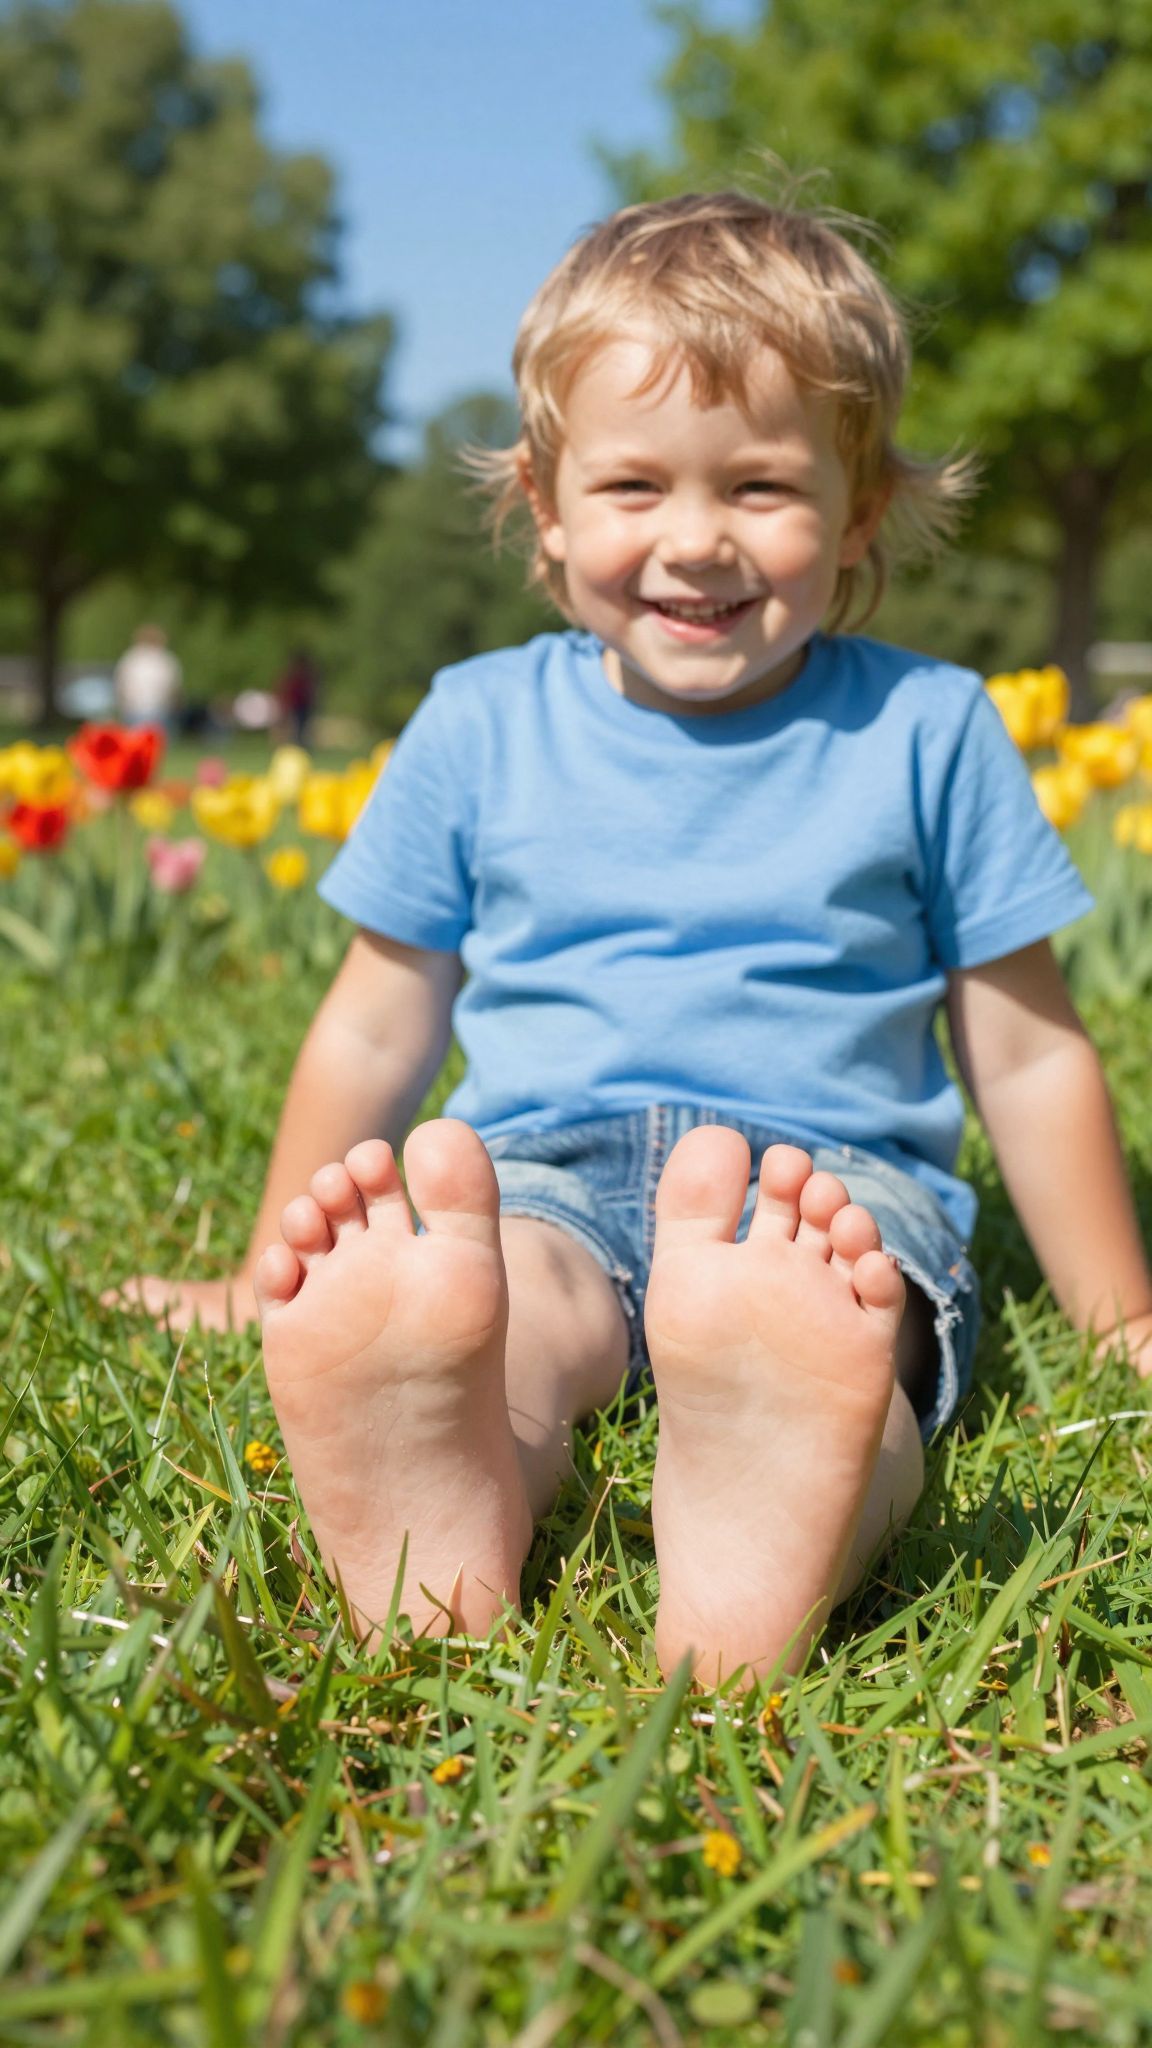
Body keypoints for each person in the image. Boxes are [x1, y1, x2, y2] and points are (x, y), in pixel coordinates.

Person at [115, 190, 1152, 1689]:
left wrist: (1122, 1319)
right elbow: (374, 1023)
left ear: (861, 505)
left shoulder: (931, 729)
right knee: (510, 1314)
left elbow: (1028, 1051)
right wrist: (263, 1261)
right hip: (537, 1164)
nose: (696, 540)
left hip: (827, 1204)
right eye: (635, 487)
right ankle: (447, 1484)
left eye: (761, 488)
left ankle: (779, 1502)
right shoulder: (478, 720)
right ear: (545, 502)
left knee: (860, 1370)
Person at [113, 624, 182, 731]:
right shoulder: (166, 659)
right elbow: (173, 687)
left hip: (143, 708)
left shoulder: (131, 658)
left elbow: (120, 685)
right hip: (151, 708)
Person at [276, 649, 320, 746]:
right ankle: (294, 746)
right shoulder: (294, 675)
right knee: (294, 728)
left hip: (303, 705)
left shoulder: (305, 675)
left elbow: (310, 691)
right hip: (294, 705)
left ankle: (299, 746)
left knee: (302, 728)